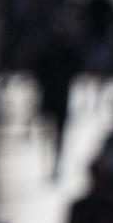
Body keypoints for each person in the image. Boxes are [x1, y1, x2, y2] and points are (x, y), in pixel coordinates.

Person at [33, 19, 82, 169]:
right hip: (53, 96)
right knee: (51, 132)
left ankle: (54, 160)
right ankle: (52, 159)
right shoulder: (52, 51)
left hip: (57, 96)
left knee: (54, 132)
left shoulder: (62, 51)